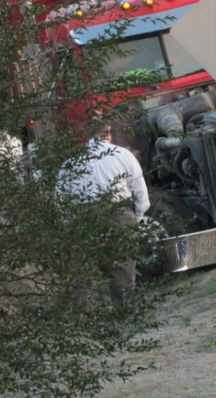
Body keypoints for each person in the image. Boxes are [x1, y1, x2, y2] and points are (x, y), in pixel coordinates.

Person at [60, 121, 150, 306]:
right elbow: (140, 190)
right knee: (122, 265)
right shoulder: (122, 155)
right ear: (109, 135)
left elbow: (61, 197)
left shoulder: (71, 160)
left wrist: (68, 222)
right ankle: (123, 311)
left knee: (82, 270)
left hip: (83, 216)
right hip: (117, 212)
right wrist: (137, 216)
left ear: (87, 136)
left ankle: (83, 315)